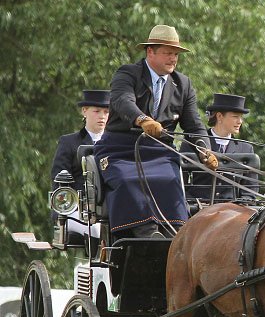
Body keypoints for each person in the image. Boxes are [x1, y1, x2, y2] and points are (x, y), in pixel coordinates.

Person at [94, 24, 217, 238]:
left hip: (159, 152)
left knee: (169, 180)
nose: (173, 59)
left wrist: (204, 150)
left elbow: (194, 125)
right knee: (126, 179)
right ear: (150, 51)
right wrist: (142, 119)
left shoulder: (183, 84)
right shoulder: (127, 73)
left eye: (176, 54)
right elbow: (123, 101)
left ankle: (173, 235)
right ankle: (146, 232)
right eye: (168, 53)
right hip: (121, 151)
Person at [49, 89, 110, 238]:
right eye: (96, 111)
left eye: (106, 112)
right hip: (75, 210)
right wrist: (76, 204)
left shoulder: (115, 145)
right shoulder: (69, 142)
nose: (102, 116)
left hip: (109, 208)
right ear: (84, 111)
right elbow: (58, 180)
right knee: (96, 229)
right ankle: (97, 262)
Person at [180, 93, 254, 206]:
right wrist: (194, 202)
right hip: (197, 211)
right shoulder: (194, 143)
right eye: (235, 117)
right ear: (219, 116)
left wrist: (238, 208)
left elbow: (249, 191)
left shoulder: (246, 149)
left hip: (231, 215)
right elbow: (180, 180)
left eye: (241, 117)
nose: (240, 122)